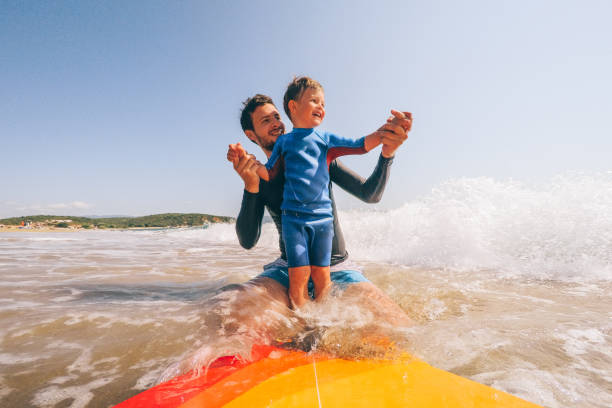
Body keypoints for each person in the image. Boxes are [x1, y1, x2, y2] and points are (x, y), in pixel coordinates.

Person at [224, 89, 412, 326]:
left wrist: (387, 154)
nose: (276, 124)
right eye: (265, 121)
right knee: (234, 308)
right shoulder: (259, 174)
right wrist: (251, 186)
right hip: (287, 270)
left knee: (396, 324)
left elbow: (370, 194)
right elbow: (248, 241)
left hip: (337, 268)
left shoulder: (316, 155)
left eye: (276, 117)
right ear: (251, 135)